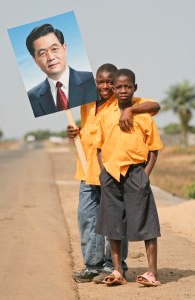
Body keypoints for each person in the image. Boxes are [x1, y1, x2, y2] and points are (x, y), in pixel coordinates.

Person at [67, 64, 161, 284]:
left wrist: (130, 109)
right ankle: (92, 266)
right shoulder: (87, 103)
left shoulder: (127, 103)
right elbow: (94, 135)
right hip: (90, 169)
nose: (107, 86)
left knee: (117, 220)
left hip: (119, 171)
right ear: (95, 83)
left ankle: (114, 266)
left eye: (112, 82)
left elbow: (155, 105)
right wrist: (74, 132)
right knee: (89, 219)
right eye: (101, 82)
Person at [94, 68, 163, 287]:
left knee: (146, 223)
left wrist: (144, 175)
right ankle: (117, 271)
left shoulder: (144, 115)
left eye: (128, 86)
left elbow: (154, 150)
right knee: (113, 225)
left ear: (135, 88)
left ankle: (151, 273)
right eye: (119, 86)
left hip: (136, 173)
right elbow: (98, 147)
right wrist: (103, 172)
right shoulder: (104, 114)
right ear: (112, 88)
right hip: (111, 175)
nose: (123, 90)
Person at [26, 24, 97, 117]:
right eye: (42, 53)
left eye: (54, 49)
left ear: (64, 48)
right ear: (35, 60)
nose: (51, 58)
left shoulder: (92, 81)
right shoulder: (32, 97)